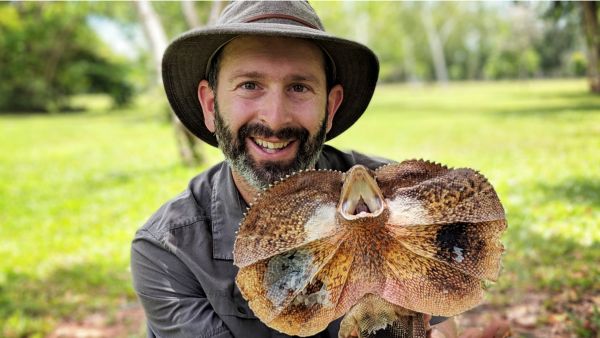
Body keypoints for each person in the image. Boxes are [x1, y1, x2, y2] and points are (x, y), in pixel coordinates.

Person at [130, 2, 509, 338]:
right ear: (211, 106)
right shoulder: (168, 251)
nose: (275, 119)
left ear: (331, 107)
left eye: (299, 87)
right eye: (250, 85)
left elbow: (436, 323)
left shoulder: (392, 194)